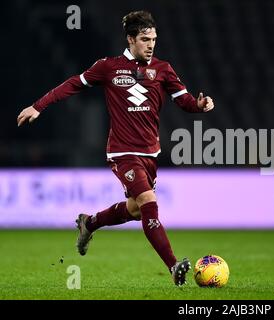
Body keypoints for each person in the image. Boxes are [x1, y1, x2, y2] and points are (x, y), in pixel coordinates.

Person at [17, 11, 214, 286]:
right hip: (122, 152)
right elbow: (74, 83)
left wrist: (200, 106)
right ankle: (173, 266)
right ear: (131, 39)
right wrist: (39, 106)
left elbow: (185, 102)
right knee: (148, 202)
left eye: (154, 39)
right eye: (145, 39)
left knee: (135, 210)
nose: (151, 44)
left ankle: (90, 223)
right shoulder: (108, 67)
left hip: (151, 152)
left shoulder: (163, 69)